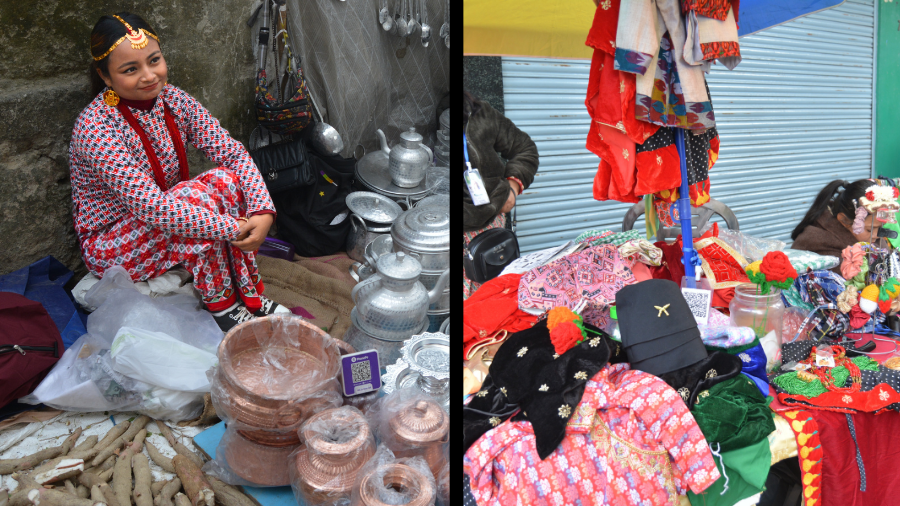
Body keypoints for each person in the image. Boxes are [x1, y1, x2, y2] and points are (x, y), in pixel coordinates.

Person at [69, 12, 290, 332]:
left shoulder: (173, 100)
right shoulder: (96, 127)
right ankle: (224, 304)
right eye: (130, 69)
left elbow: (232, 153)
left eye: (154, 60)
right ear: (106, 77)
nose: (148, 76)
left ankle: (247, 291)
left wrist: (261, 209)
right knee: (196, 197)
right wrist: (236, 227)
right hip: (112, 244)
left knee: (224, 180)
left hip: (168, 216)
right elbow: (152, 208)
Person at [463, 90, 539, 299]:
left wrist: (512, 189)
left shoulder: (478, 114)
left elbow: (525, 149)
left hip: (490, 232)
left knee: (493, 308)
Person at [791, 179, 884, 259]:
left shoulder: (869, 240)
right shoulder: (819, 245)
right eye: (869, 229)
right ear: (844, 220)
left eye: (879, 227)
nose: (877, 235)